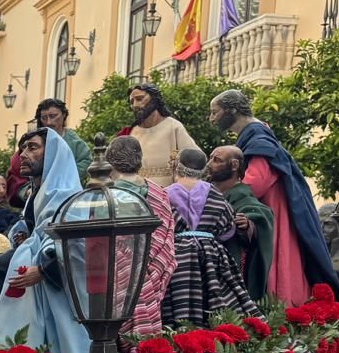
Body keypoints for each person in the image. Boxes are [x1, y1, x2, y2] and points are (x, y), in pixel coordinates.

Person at [212, 90, 339, 330]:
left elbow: (256, 181)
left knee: (276, 263)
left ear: (231, 110)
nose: (212, 118)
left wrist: (215, 197)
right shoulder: (255, 134)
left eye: (214, 112)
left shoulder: (257, 138)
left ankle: (279, 317)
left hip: (271, 212)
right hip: (266, 210)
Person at [0, 128, 88, 353]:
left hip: (52, 281)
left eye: (33, 147)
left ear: (52, 153)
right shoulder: (37, 192)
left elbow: (75, 240)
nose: (23, 154)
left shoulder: (65, 192)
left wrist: (43, 270)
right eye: (22, 149)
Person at [160, 151, 257, 327]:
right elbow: (227, 228)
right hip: (211, 257)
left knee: (177, 299)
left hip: (175, 257)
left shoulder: (164, 194)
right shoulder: (214, 193)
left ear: (177, 167)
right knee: (213, 297)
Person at [102, 138, 178, 338]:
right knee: (146, 334)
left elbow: (98, 242)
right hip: (153, 273)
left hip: (117, 277)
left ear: (110, 162)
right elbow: (166, 240)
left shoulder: (107, 194)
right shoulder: (159, 193)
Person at [206, 144, 274, 302]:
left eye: (216, 160)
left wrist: (248, 226)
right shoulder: (206, 193)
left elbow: (262, 218)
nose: (209, 164)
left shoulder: (244, 198)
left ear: (234, 165)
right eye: (210, 158)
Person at [126, 84, 196, 186]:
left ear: (154, 99)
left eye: (140, 99)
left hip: (169, 195)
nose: (135, 105)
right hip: (137, 195)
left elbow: (195, 159)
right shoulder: (131, 133)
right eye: (132, 102)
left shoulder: (173, 127)